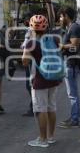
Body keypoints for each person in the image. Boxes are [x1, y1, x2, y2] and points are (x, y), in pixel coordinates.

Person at [22, 15, 61, 148]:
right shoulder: (54, 39)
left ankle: (42, 139)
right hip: (54, 78)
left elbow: (24, 61)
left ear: (32, 28)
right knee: (51, 107)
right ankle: (50, 137)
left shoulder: (31, 43)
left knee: (40, 109)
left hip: (39, 79)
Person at [58, 6, 80, 128]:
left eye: (61, 16)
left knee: (72, 94)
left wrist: (62, 46)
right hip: (70, 63)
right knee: (74, 93)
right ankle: (75, 117)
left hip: (72, 64)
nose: (60, 18)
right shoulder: (70, 28)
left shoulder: (74, 28)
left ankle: (74, 120)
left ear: (66, 16)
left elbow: (74, 45)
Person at [21, 17, 34, 117]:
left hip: (30, 61)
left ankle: (34, 106)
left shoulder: (30, 31)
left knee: (30, 85)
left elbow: (26, 45)